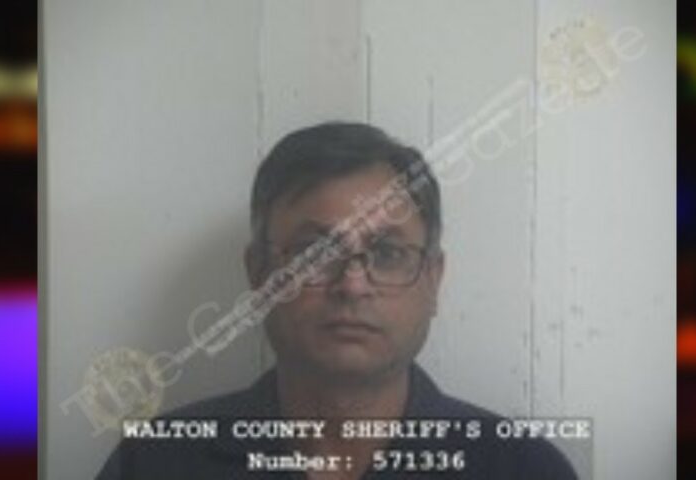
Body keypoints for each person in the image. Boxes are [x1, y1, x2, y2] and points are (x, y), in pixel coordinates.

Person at [97, 123, 577, 479]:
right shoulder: (155, 463)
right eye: (314, 252)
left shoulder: (524, 468)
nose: (352, 285)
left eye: (387, 254)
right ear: (259, 274)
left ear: (433, 280)